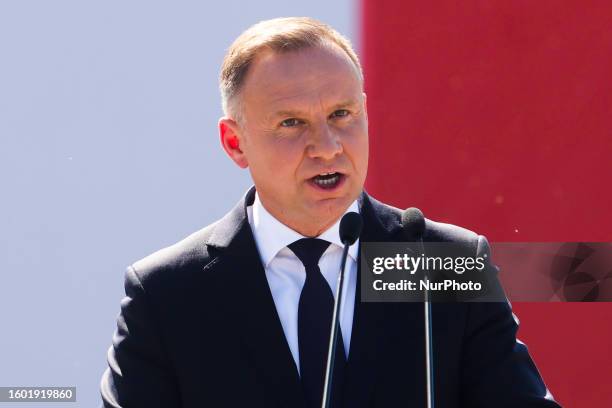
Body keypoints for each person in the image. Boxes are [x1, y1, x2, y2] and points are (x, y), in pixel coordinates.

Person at [100, 17, 561, 408]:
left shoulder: (439, 262)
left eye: (342, 114)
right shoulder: (167, 293)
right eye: (292, 123)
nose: (327, 147)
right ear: (235, 143)